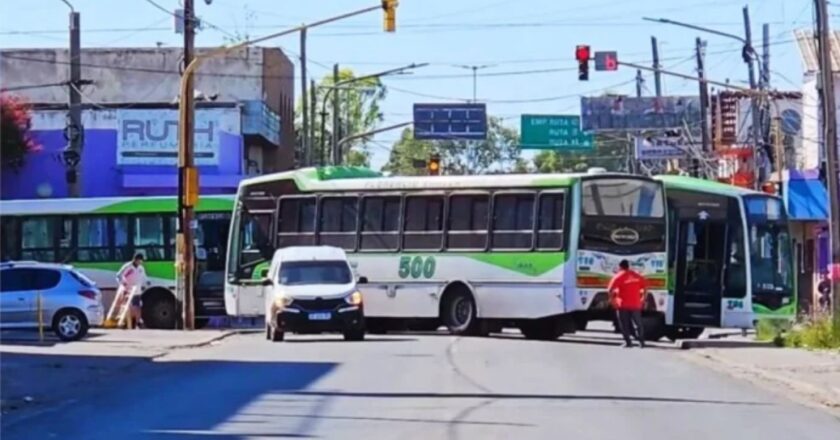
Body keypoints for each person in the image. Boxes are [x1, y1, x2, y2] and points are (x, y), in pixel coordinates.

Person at [607, 259, 647, 348]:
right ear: (628, 266)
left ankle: (628, 343)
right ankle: (641, 342)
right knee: (638, 324)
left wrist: (612, 301)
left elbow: (610, 290)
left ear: (620, 267)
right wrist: (643, 299)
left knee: (624, 325)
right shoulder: (637, 276)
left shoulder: (618, 276)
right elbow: (645, 287)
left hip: (623, 305)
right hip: (636, 304)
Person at [115, 253, 147, 329]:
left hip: (137, 291)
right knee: (126, 307)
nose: (140, 262)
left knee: (138, 306)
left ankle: (138, 322)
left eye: (141, 261)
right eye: (139, 260)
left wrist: (145, 284)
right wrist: (123, 284)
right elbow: (118, 275)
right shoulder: (128, 267)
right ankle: (122, 322)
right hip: (127, 290)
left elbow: (144, 278)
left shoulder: (141, 268)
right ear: (135, 259)